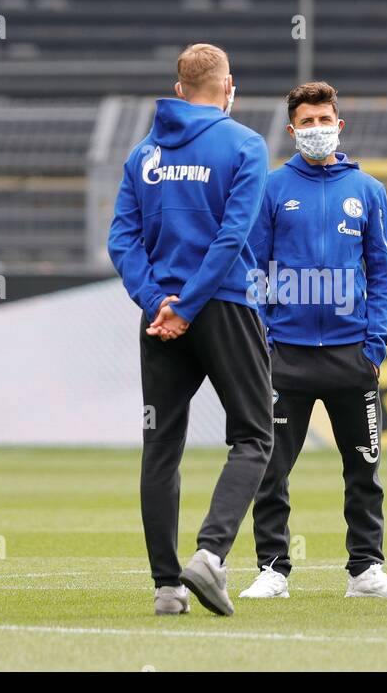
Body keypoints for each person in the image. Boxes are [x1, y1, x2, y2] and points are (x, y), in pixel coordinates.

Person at [107, 43, 272, 617]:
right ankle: (209, 554)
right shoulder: (246, 145)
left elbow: (121, 241)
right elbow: (233, 237)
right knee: (254, 436)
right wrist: (191, 303)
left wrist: (161, 303)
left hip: (161, 319)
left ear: (180, 90)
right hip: (224, 304)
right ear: (228, 87)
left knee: (162, 448)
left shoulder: (142, 155)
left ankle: (166, 587)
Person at [239, 81, 387, 600]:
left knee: (364, 468)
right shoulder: (271, 188)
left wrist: (376, 343)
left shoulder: (368, 191)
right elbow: (254, 268)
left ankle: (366, 570)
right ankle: (273, 569)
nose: (317, 129)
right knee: (270, 469)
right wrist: (262, 337)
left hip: (351, 354)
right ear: (293, 131)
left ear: (340, 125)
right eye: (307, 123)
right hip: (285, 355)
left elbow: (382, 271)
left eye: (325, 120)